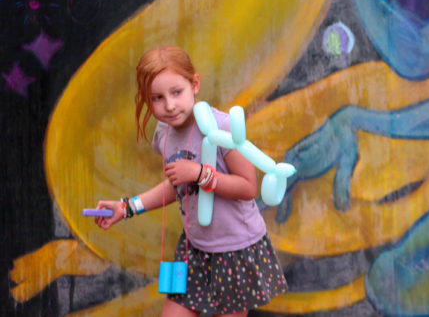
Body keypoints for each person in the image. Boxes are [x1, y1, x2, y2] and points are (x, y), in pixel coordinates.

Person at [93, 45, 287, 317]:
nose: (169, 105)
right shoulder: (164, 134)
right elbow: (176, 186)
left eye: (176, 92)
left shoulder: (223, 128)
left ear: (194, 84)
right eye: (157, 98)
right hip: (195, 249)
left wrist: (199, 173)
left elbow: (248, 187)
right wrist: (127, 207)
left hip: (234, 249)